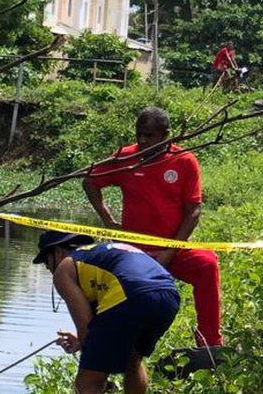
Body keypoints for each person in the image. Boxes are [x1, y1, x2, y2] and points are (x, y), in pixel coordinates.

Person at [83, 107, 222, 349]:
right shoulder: (125, 158)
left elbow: (194, 211)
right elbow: (90, 181)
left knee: (207, 264)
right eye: (139, 134)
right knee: (102, 278)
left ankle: (209, 344)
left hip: (171, 249)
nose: (142, 140)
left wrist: (170, 251)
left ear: (166, 135)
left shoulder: (185, 161)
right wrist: (107, 218)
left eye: (149, 135)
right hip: (132, 250)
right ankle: (99, 341)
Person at [34, 230, 180, 394]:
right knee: (133, 359)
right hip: (169, 296)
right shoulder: (100, 254)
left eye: (46, 261)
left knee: (86, 384)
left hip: (129, 294)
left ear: (58, 252)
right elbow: (100, 324)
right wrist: (86, 342)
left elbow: (85, 327)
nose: (48, 268)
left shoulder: (65, 267)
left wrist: (96, 367)